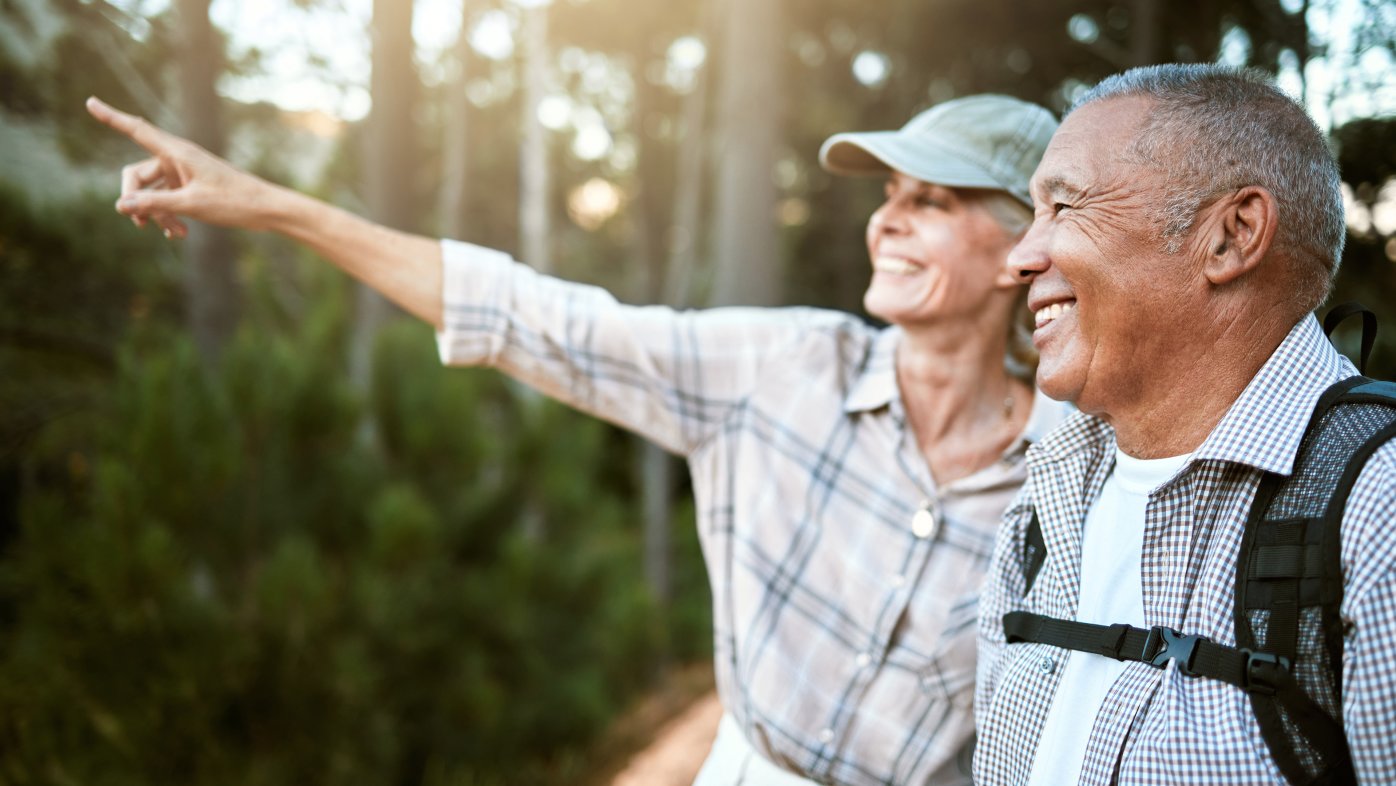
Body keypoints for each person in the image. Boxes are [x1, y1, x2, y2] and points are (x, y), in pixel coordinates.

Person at [88, 92, 1069, 785]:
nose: (884, 224)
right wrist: (266, 203)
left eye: (927, 202)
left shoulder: (1073, 473)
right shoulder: (780, 368)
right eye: (887, 197)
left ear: (1020, 252)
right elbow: (530, 316)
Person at [974, 64, 1396, 784]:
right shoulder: (1046, 499)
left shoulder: (1376, 507)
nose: (1019, 257)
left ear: (1231, 237)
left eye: (1065, 207)